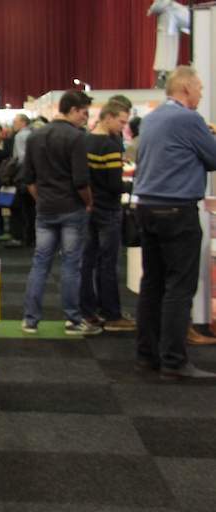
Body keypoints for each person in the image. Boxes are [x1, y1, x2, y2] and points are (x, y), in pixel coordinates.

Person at [134, 65, 216, 379]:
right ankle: (174, 360)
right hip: (177, 210)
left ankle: (147, 355)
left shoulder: (153, 117)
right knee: (179, 288)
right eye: (199, 89)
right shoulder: (188, 119)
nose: (201, 94)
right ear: (185, 88)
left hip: (147, 208)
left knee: (152, 283)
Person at [20, 90, 103, 336]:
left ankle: (30, 319)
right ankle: (72, 320)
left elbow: (28, 179)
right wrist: (88, 203)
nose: (85, 119)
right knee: (70, 265)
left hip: (45, 209)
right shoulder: (76, 137)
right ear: (74, 110)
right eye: (84, 113)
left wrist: (41, 199)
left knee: (40, 264)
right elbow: (81, 180)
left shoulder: (35, 136)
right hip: (72, 209)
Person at [80, 101, 136, 332]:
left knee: (88, 262)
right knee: (108, 264)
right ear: (108, 117)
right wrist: (129, 185)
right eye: (121, 121)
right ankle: (111, 314)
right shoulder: (110, 146)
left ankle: (89, 310)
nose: (123, 127)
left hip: (90, 207)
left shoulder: (86, 140)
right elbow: (114, 183)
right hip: (109, 209)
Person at [4, 113, 35, 248]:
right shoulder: (33, 134)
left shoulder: (20, 136)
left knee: (21, 209)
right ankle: (30, 237)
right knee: (31, 209)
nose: (13, 124)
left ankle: (21, 237)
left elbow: (20, 158)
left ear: (23, 122)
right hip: (33, 177)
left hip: (22, 177)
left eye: (15, 121)